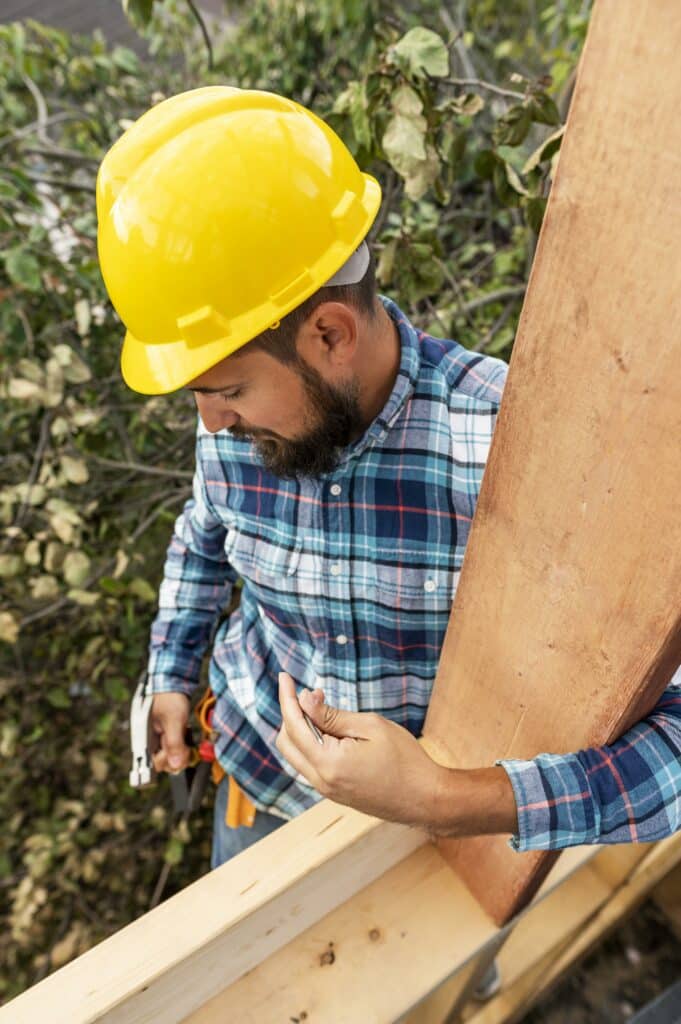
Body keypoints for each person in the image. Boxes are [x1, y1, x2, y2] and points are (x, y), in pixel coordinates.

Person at [97, 86, 681, 869]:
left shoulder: (514, 453)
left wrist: (446, 799)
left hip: (438, 846)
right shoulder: (244, 421)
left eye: (226, 392)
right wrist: (172, 669)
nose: (209, 425)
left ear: (328, 333)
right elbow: (204, 537)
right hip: (260, 789)